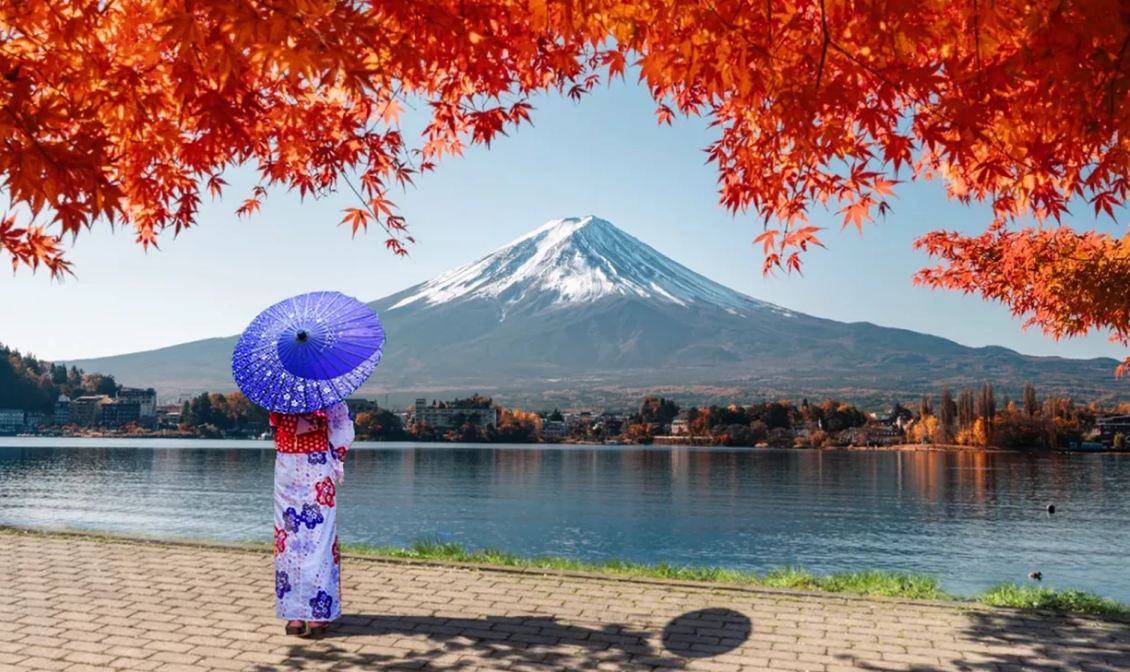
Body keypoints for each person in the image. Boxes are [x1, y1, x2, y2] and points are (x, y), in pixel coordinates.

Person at [270, 401, 354, 637]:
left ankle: (294, 619)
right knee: (319, 540)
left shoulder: (280, 392)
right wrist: (336, 459)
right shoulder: (326, 392)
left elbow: (276, 433)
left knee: (288, 538)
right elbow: (343, 431)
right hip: (316, 464)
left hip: (286, 465)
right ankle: (317, 618)